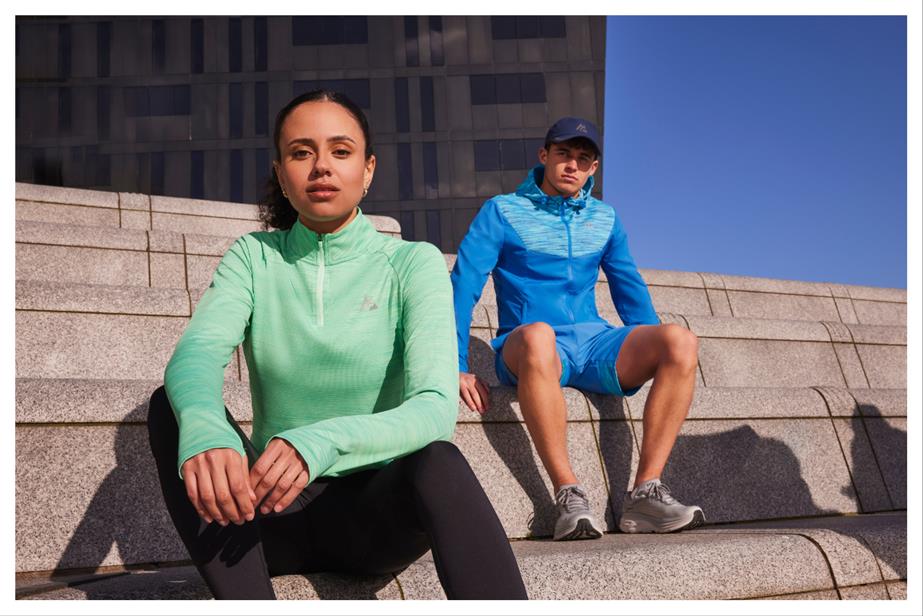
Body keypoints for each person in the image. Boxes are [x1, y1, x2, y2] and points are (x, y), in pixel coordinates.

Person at [147, 90, 527, 600]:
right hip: (264, 512)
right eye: (301, 152)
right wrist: (207, 428)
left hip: (373, 519)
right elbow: (196, 354)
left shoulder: (412, 263)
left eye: (340, 151)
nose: (321, 166)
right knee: (171, 409)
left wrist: (318, 443)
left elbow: (436, 409)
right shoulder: (255, 256)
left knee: (438, 459)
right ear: (281, 175)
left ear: (368, 170)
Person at [451, 117, 705, 541]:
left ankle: (646, 493)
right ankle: (568, 494)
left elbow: (630, 289)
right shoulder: (503, 211)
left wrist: (654, 352)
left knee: (679, 339)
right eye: (564, 154)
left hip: (592, 344)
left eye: (583, 159)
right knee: (538, 335)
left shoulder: (605, 219)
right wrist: (455, 362)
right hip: (530, 347)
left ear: (593, 170)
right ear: (544, 156)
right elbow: (462, 287)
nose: (572, 164)